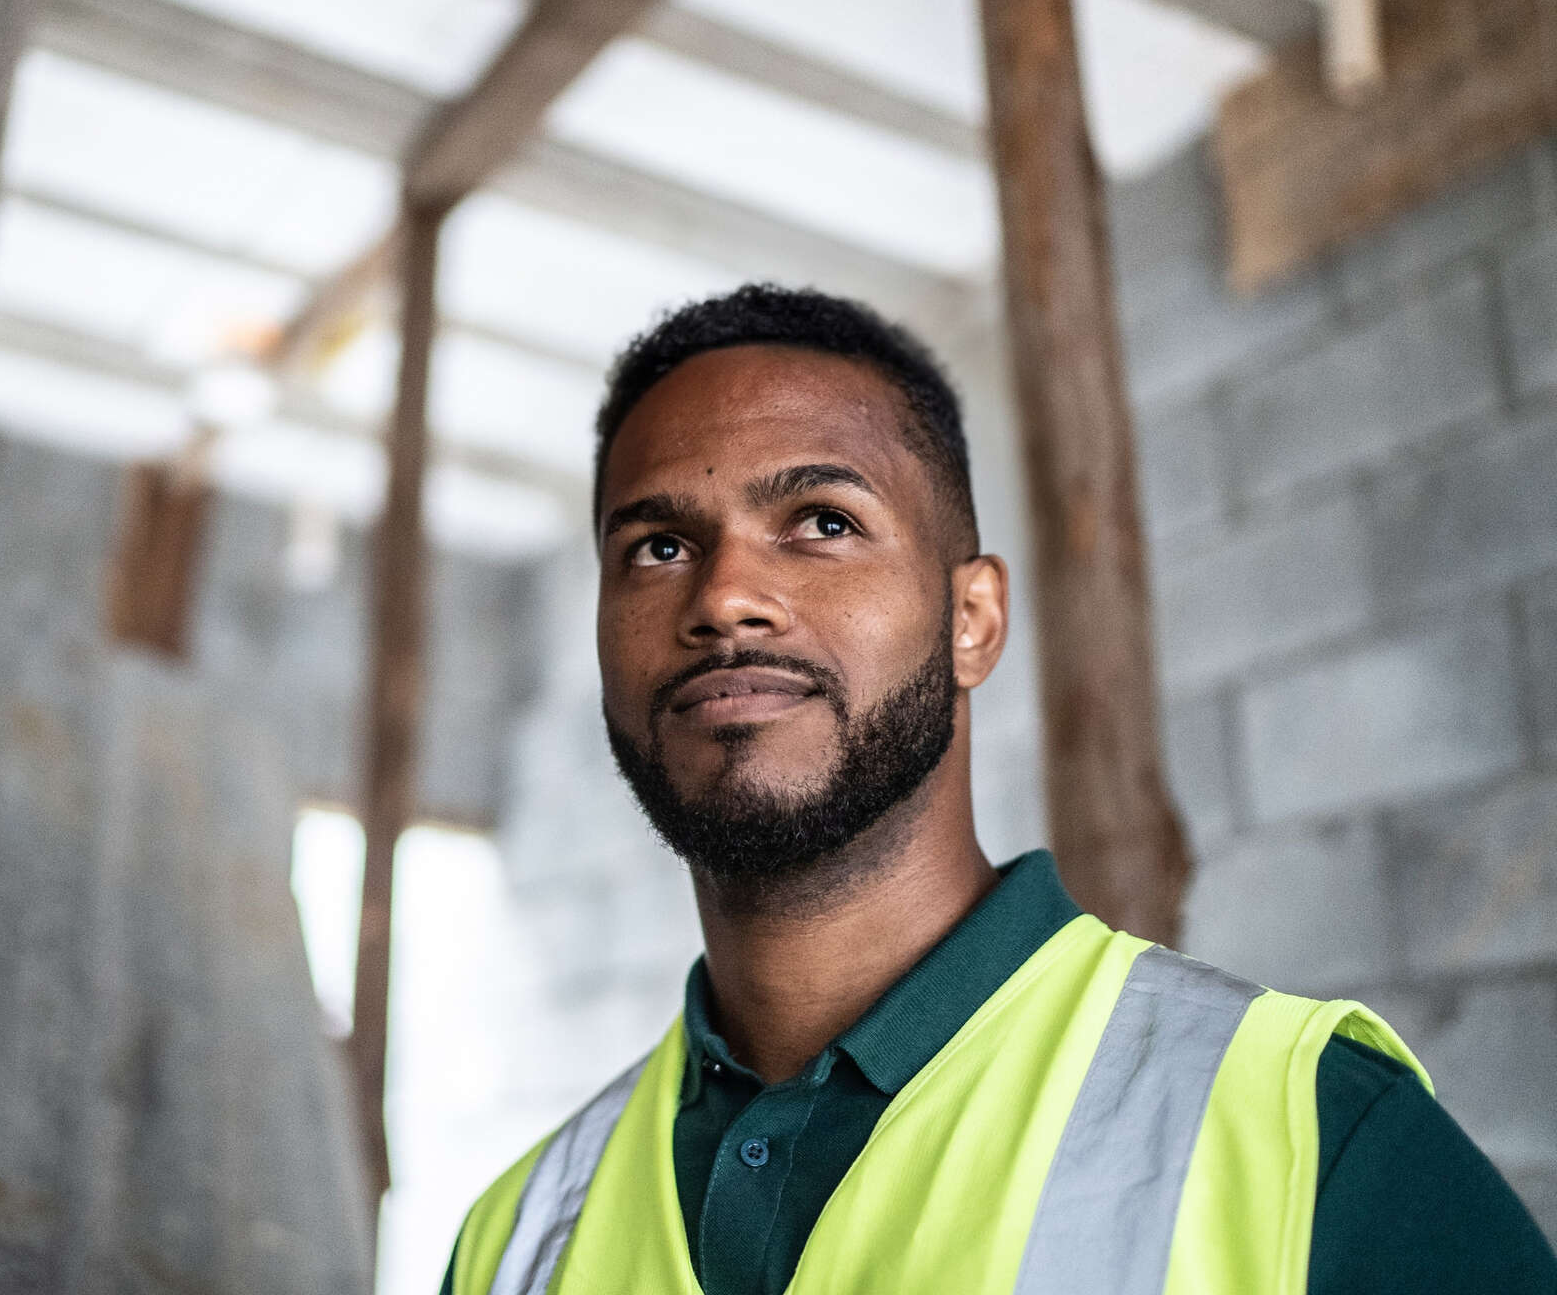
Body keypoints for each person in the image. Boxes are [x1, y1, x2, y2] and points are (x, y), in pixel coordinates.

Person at [440, 284, 1557, 1295]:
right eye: (656, 548)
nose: (726, 596)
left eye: (824, 523)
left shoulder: (1306, 1133)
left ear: (971, 620)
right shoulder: (513, 1240)